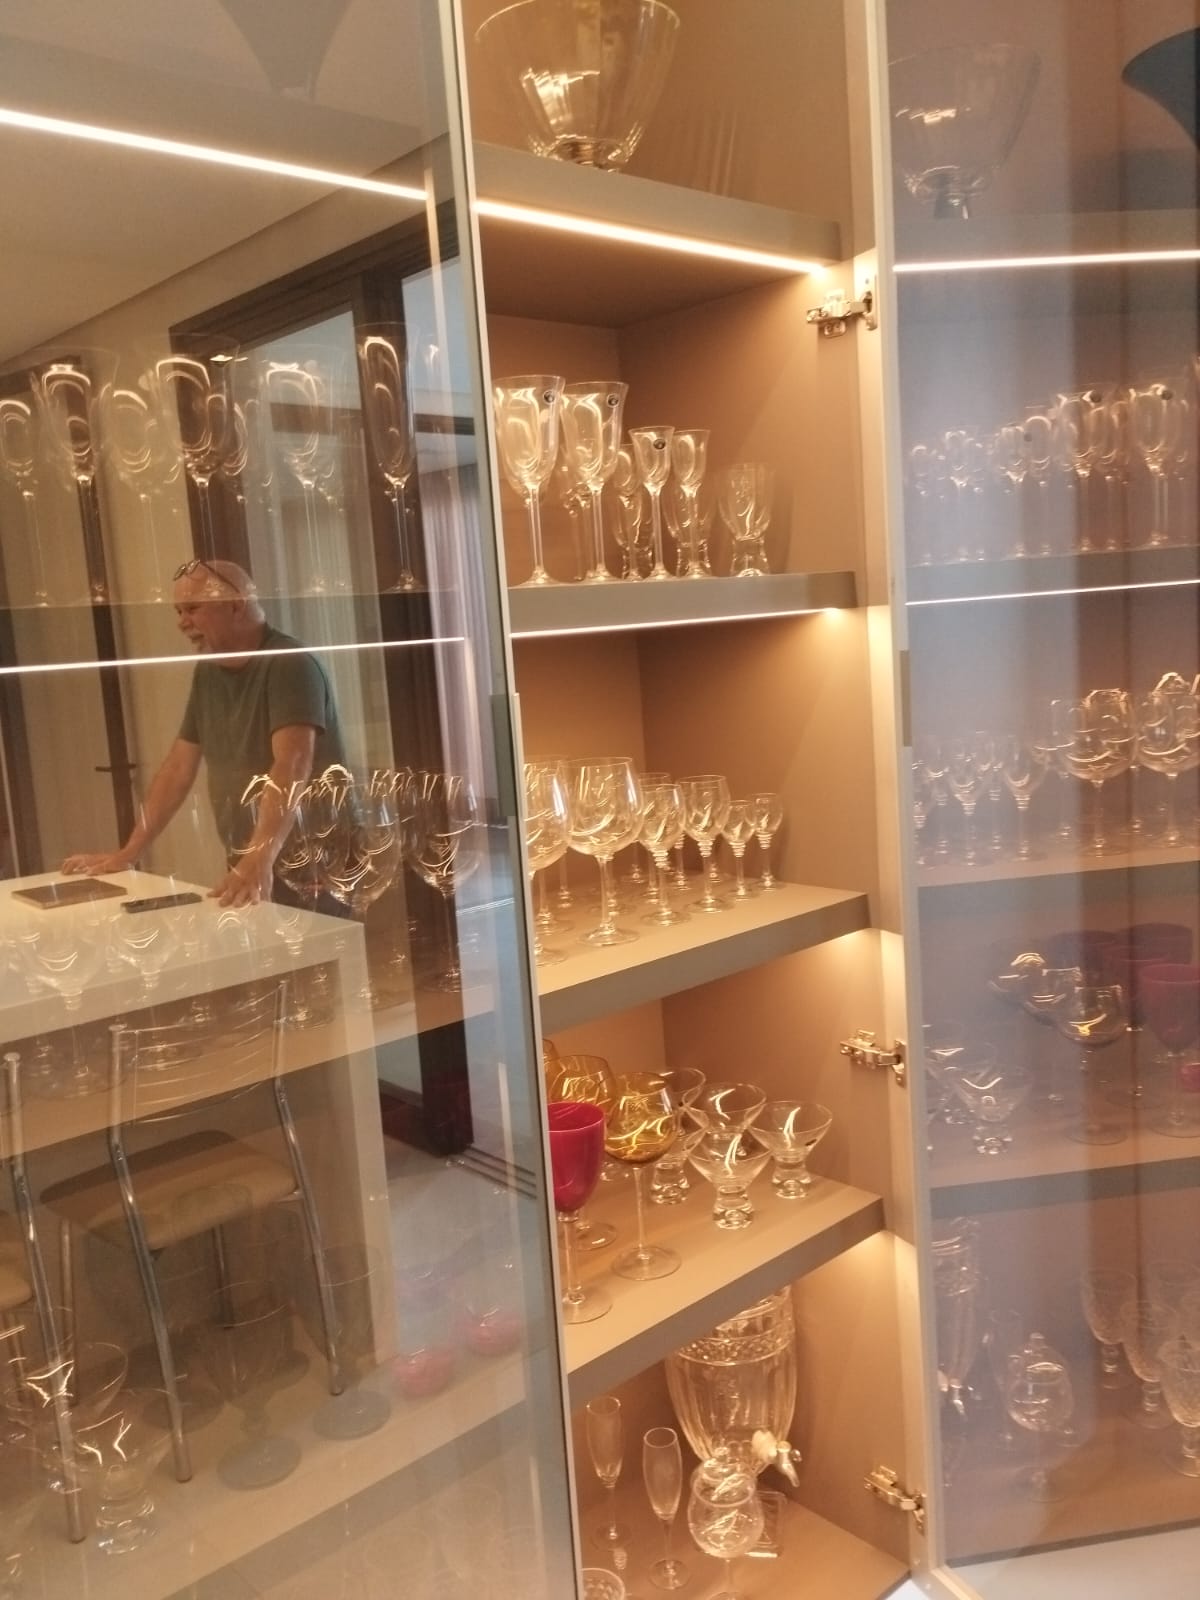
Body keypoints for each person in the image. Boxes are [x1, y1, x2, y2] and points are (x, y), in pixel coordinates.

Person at [63, 558, 346, 908]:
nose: (182, 622)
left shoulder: (288, 662)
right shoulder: (209, 669)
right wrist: (129, 852)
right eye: (178, 611)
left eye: (193, 609)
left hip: (311, 863)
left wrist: (259, 856)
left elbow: (292, 763)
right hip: (252, 858)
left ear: (236, 604)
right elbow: (178, 769)